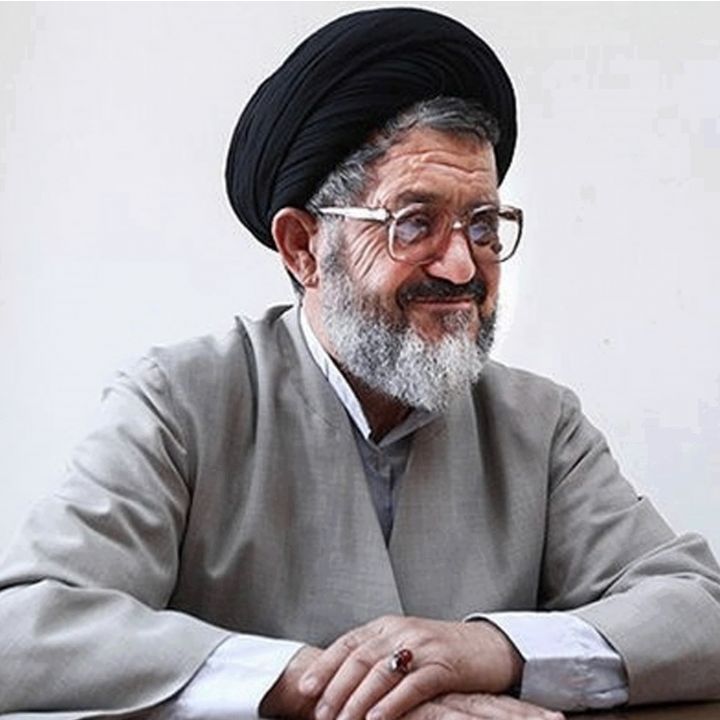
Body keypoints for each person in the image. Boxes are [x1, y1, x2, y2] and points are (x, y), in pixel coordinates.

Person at [1, 7, 720, 720]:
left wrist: (489, 650)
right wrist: (329, 687)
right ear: (303, 248)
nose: (462, 265)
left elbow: (699, 611)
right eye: (415, 223)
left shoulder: (538, 424)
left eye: (483, 225)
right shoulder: (179, 404)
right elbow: (26, 630)